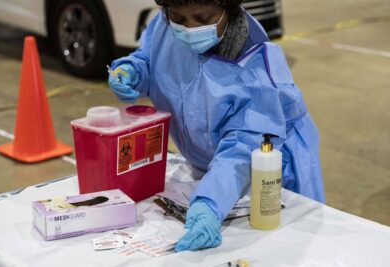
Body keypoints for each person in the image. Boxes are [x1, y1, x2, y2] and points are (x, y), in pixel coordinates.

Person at [108, 0, 325, 252]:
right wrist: (133, 71)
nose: (188, 28)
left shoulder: (255, 64)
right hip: (207, 162)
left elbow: (244, 149)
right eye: (178, 18)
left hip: (270, 169)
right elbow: (150, 57)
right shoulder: (164, 25)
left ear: (228, 9)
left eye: (202, 18)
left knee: (278, 247)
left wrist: (210, 203)